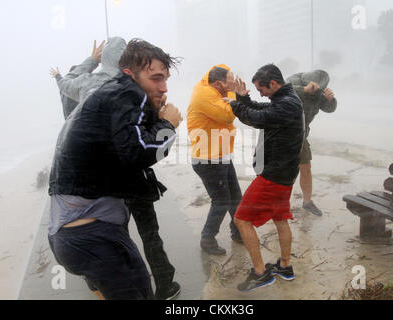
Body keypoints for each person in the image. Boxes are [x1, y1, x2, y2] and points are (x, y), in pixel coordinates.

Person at [48, 38, 183, 300]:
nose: (163, 86)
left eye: (165, 78)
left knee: (134, 283)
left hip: (77, 227)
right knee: (147, 241)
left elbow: (70, 82)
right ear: (128, 70)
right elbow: (137, 152)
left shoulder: (105, 89)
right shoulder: (125, 92)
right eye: (155, 77)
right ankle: (166, 285)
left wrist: (90, 61)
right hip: (90, 232)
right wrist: (168, 124)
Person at [226, 64, 304, 292]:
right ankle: (285, 267)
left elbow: (258, 118)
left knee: (241, 220)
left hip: (274, 175)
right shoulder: (287, 99)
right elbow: (261, 109)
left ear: (273, 84)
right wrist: (242, 98)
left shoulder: (287, 104)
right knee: (280, 219)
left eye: (261, 89)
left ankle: (261, 273)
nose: (259, 93)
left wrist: (234, 105)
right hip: (284, 173)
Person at [187, 65, 243, 255]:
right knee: (221, 200)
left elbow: (233, 111)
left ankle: (239, 233)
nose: (231, 86)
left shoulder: (215, 90)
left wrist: (236, 93)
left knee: (235, 198)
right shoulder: (205, 94)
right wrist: (233, 93)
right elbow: (227, 115)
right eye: (229, 84)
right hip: (208, 159)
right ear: (219, 84)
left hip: (221, 155)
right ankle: (207, 239)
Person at [287, 70, 337, 216]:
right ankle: (278, 203)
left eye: (317, 90)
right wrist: (304, 90)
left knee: (306, 167)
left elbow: (330, 109)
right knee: (283, 171)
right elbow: (282, 91)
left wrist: (330, 100)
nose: (314, 92)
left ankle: (307, 202)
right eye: (313, 89)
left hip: (301, 135)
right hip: (282, 134)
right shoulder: (293, 81)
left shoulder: (318, 93)